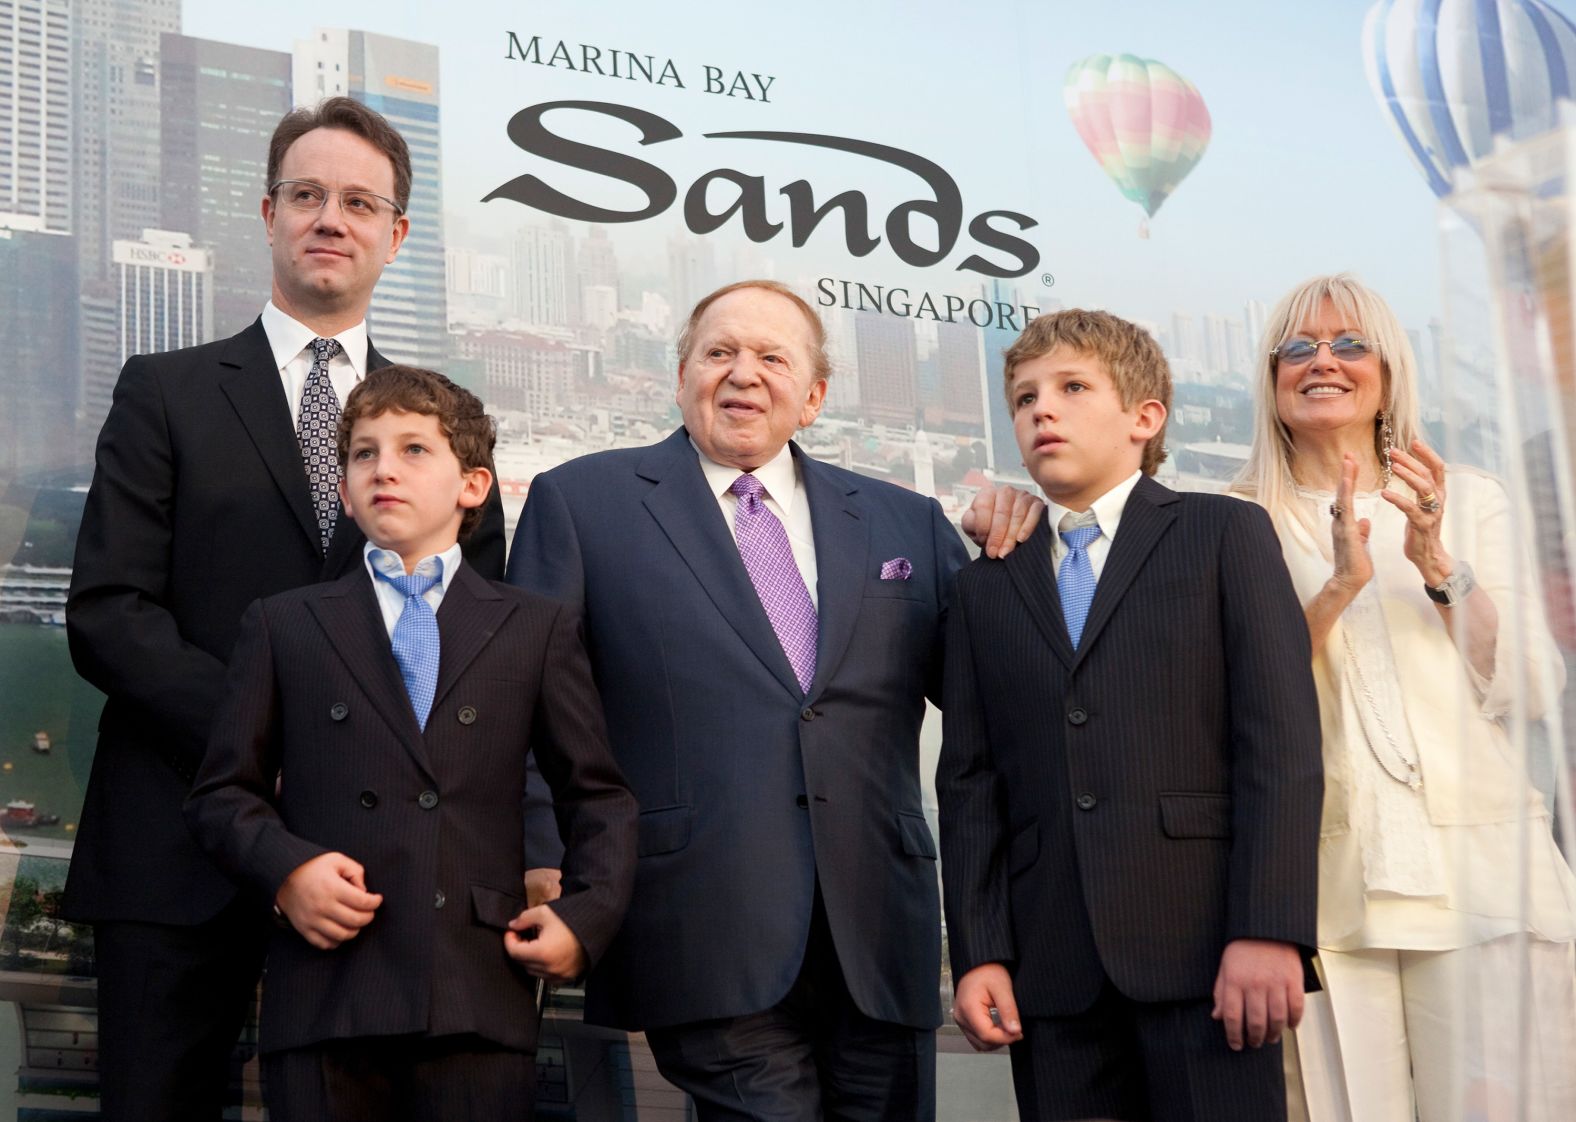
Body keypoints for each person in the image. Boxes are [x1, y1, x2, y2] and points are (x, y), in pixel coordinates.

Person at [62, 97, 505, 1120]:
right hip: (171, 856)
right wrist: (272, 743)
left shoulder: (443, 425)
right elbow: (109, 613)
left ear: (394, 236)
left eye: (358, 202)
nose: (328, 217)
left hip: (375, 877)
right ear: (267, 214)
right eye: (306, 195)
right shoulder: (163, 392)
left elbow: (471, 636)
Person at [506, 279, 1040, 1120]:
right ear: (680, 376)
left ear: (814, 397)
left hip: (880, 935)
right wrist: (544, 858)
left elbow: (1001, 704)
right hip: (700, 922)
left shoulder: (906, 523)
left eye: (771, 358)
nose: (742, 374)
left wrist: (1021, 555)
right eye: (719, 352)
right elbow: (524, 700)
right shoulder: (581, 503)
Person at [183, 366, 635, 1120]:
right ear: (345, 486)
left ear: (474, 485)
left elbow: (598, 795)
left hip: (477, 988)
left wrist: (584, 919)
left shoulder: (535, 628)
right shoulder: (284, 623)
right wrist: (288, 872)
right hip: (328, 991)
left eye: (413, 450)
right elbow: (223, 792)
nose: (383, 468)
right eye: (363, 453)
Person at [938, 308, 1324, 1122]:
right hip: (1050, 970)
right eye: (1024, 397)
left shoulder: (1224, 534)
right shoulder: (985, 587)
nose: (1042, 408)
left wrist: (1269, 927)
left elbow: (1280, 745)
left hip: (1207, 956)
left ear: (1145, 419)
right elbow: (971, 783)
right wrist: (982, 952)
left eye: (1073, 387)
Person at [1232, 273, 1576, 1122]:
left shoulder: (1469, 498)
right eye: (1299, 347)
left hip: (1486, 878)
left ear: (1389, 370)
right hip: (1318, 893)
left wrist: (1435, 561)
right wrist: (1338, 590)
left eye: (1350, 343)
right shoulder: (1228, 519)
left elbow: (1533, 685)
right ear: (1270, 376)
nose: (1324, 361)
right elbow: (1227, 706)